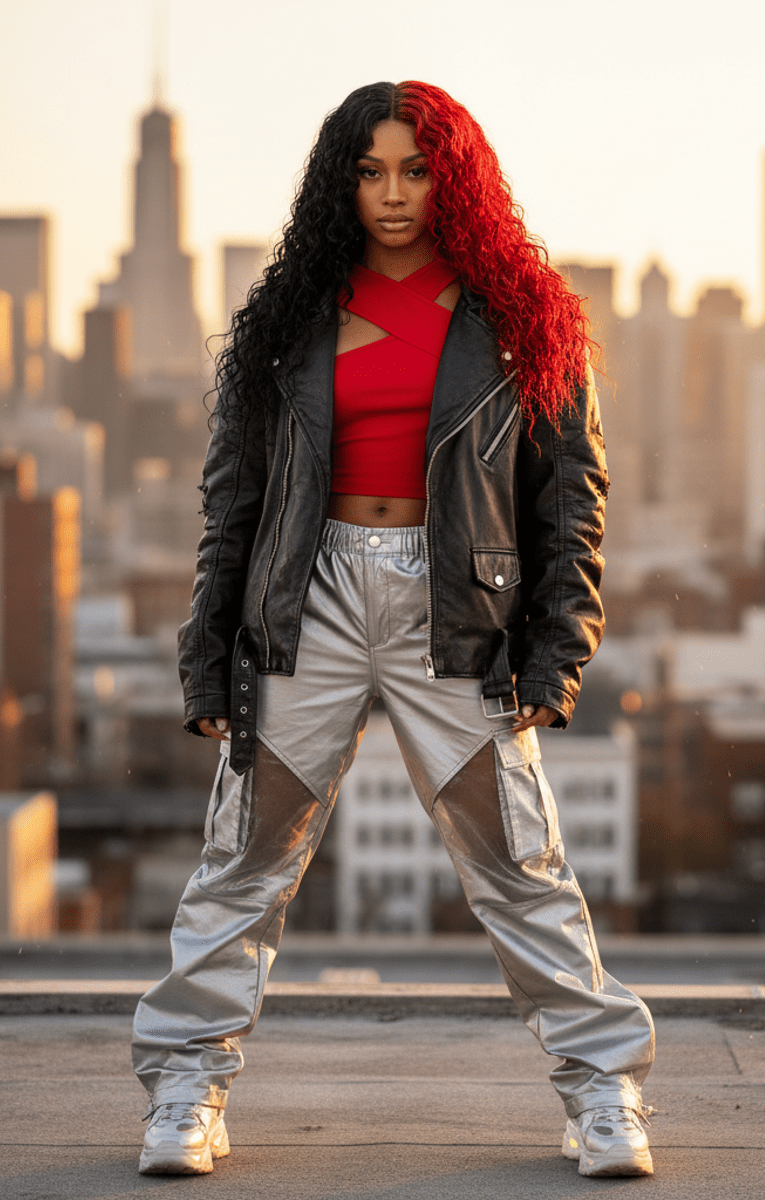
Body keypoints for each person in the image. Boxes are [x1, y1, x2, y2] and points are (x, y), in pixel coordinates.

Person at [132, 80, 656, 1179]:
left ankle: (602, 1096)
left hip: (456, 610)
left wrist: (559, 647)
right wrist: (207, 647)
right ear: (341, 181)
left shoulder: (521, 314)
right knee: (242, 860)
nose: (394, 194)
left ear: (454, 176)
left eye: (417, 169)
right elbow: (233, 498)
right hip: (308, 600)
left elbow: (574, 491)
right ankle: (186, 1089)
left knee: (520, 860)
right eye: (370, 171)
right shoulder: (286, 321)